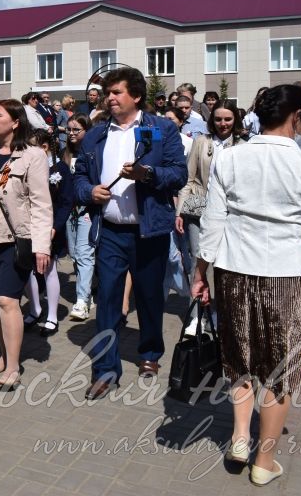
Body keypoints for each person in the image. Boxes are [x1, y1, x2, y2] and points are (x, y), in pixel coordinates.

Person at [193, 84, 301, 486]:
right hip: (291, 277)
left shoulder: (231, 157)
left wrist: (200, 273)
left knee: (239, 357)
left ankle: (240, 437)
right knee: (280, 371)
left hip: (235, 272)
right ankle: (264, 460)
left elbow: (213, 222)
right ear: (296, 117)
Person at [73, 67, 187, 400]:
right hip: (109, 231)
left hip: (149, 230)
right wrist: (89, 192)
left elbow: (178, 174)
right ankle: (105, 369)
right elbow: (78, 176)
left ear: (136, 95)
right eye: (107, 92)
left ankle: (150, 352)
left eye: (117, 92)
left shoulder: (161, 128)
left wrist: (146, 174)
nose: (109, 97)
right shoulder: (95, 134)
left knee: (150, 295)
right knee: (107, 297)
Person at [0, 99, 52, 389]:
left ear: (15, 122)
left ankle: (14, 366)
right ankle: (4, 356)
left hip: (14, 239)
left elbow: (41, 203)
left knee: (8, 300)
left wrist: (42, 245)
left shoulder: (32, 156)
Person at [175, 103, 245, 283]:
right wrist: (180, 211)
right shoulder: (201, 141)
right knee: (197, 260)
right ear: (212, 120)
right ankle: (196, 310)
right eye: (218, 119)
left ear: (235, 120)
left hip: (229, 212)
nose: (223, 123)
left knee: (224, 264)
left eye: (228, 119)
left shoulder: (243, 146)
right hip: (198, 208)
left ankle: (218, 309)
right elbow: (188, 178)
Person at [24, 129, 74, 336]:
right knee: (28, 268)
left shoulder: (60, 169)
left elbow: (66, 202)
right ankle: (35, 309)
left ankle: (52, 316)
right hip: (28, 225)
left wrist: (55, 226)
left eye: (32, 146)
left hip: (51, 226)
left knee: (48, 268)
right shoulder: (28, 166)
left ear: (44, 147)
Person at [61, 113, 95, 321]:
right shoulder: (65, 153)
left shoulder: (92, 152)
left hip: (86, 210)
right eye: (69, 130)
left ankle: (82, 300)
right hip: (69, 211)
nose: (72, 133)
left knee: (84, 253)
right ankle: (89, 290)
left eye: (76, 130)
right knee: (74, 253)